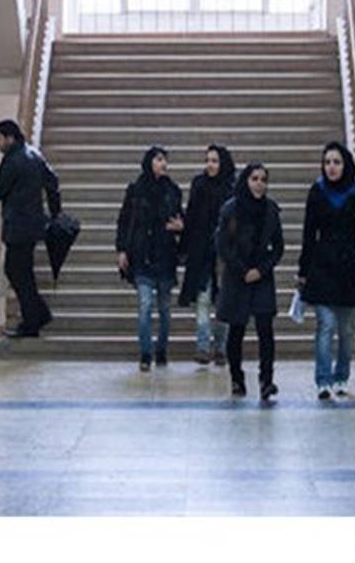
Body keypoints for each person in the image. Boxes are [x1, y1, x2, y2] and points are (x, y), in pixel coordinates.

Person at [297, 142, 355, 401]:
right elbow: (309, 233)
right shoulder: (317, 191)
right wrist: (303, 269)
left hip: (349, 268)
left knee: (347, 330)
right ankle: (323, 380)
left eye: (336, 162)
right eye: (327, 162)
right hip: (322, 267)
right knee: (326, 325)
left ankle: (341, 376)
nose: (331, 167)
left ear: (345, 165)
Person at [215, 163, 284, 400]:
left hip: (261, 276)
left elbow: (278, 247)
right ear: (246, 181)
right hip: (237, 276)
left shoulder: (271, 210)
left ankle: (266, 380)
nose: (259, 184)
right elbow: (222, 245)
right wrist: (242, 270)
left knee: (265, 329)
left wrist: (260, 270)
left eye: (263, 179)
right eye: (254, 179)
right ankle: (236, 378)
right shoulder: (231, 209)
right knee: (236, 330)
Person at [0, 119, 61, 338]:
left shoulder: (12, 161)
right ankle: (38, 314)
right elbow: (53, 182)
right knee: (22, 272)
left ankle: (33, 319)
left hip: (17, 226)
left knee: (16, 271)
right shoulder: (35, 155)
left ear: (9, 138)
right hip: (33, 225)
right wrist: (55, 213)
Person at [116, 146, 184, 370]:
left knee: (164, 308)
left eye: (165, 160)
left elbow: (181, 218)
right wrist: (122, 249)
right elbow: (124, 220)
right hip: (142, 255)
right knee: (145, 305)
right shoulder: (135, 190)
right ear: (149, 162)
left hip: (165, 255)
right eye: (159, 159)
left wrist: (181, 226)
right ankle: (146, 353)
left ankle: (161, 350)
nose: (164, 164)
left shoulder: (173, 190)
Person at [178, 145, 237, 365]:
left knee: (223, 302)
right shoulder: (199, 185)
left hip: (224, 254)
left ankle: (220, 348)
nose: (210, 165)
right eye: (208, 160)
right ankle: (203, 347)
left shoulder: (232, 188)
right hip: (201, 251)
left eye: (214, 161)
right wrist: (184, 248)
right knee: (203, 300)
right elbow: (192, 216)